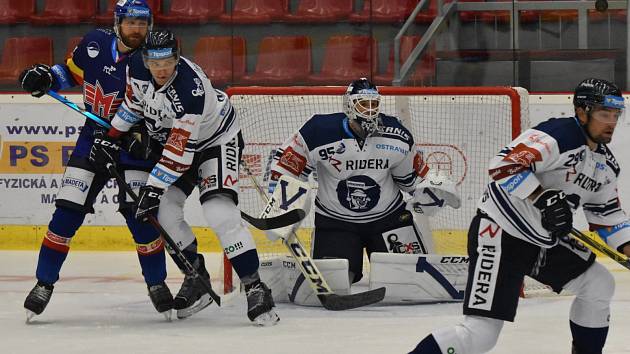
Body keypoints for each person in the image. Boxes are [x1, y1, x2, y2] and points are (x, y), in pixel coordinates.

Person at [409, 78, 628, 354]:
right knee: (480, 335)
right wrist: (543, 198)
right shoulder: (556, 136)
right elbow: (503, 164)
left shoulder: (606, 166)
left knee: (598, 283)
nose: (611, 122)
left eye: (615, 115)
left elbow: (608, 217)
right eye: (603, 114)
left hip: (540, 240)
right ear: (582, 112)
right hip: (500, 233)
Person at [90, 29, 279, 325]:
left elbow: (180, 155)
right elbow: (133, 105)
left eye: (167, 62)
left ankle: (255, 287)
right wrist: (111, 135)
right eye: (155, 62)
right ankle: (196, 274)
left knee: (218, 212)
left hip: (216, 141)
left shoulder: (190, 89)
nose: (161, 69)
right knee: (164, 213)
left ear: (177, 58)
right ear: (145, 59)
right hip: (180, 145)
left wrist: (151, 188)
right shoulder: (136, 67)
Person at [18, 0, 173, 321]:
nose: (137, 30)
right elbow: (69, 74)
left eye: (143, 24)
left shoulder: (154, 62)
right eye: (131, 23)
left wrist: (141, 136)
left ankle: (157, 284)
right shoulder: (94, 43)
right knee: (66, 214)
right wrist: (47, 76)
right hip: (92, 140)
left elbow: (166, 110)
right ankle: (43, 283)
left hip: (134, 146)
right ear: (117, 23)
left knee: (141, 218)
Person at [267, 78, 461, 285]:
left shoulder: (397, 134)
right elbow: (286, 169)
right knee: (336, 283)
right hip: (336, 223)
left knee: (407, 282)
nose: (369, 110)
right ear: (349, 105)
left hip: (389, 220)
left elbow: (410, 180)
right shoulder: (318, 131)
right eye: (363, 104)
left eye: (373, 104)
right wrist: (280, 207)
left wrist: (429, 192)